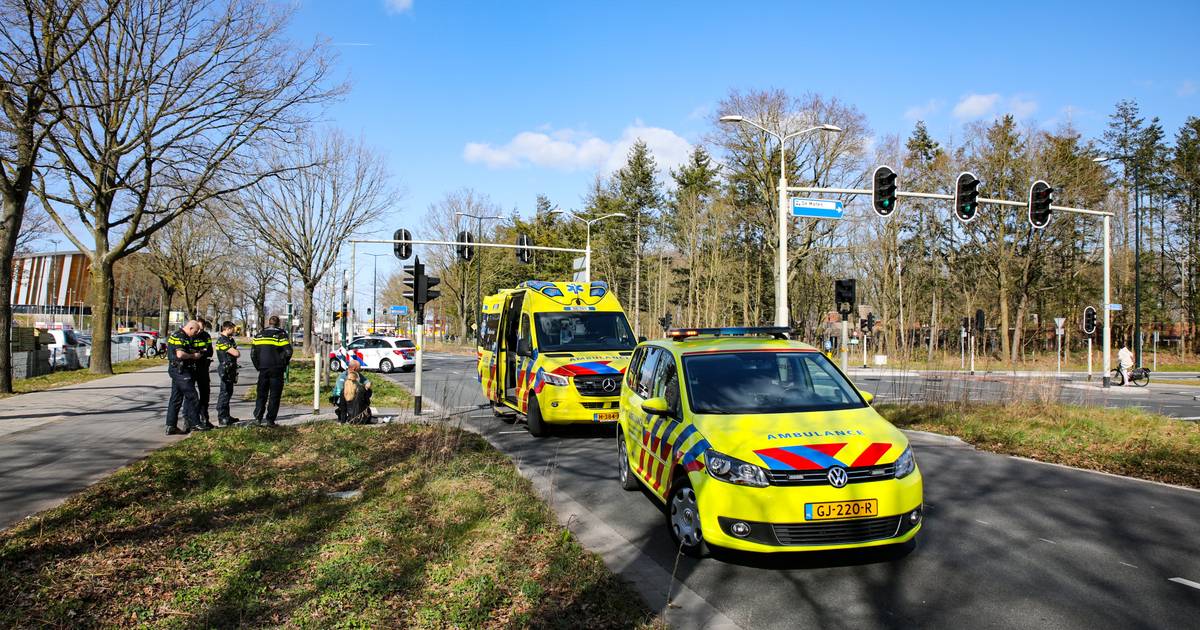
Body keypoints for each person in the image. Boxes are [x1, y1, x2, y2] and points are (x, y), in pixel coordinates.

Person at [165, 320, 207, 435]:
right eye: (196, 331)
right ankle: (195, 423)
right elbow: (180, 354)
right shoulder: (181, 336)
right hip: (181, 371)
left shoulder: (177, 335)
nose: (197, 333)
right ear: (190, 328)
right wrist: (194, 356)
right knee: (192, 396)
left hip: (176, 370)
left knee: (176, 398)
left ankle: (171, 426)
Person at [251, 315, 292, 427]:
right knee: (274, 395)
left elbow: (253, 354)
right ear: (278, 323)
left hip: (263, 369)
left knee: (261, 394)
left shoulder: (258, 335)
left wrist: (258, 366)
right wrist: (283, 363)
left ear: (268, 323)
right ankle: (270, 420)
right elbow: (288, 352)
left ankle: (258, 418)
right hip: (276, 368)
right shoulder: (280, 335)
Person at [214, 320, 241, 426]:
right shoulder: (222, 340)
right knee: (224, 393)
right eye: (232, 329)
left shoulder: (229, 340)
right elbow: (235, 353)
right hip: (225, 369)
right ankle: (222, 417)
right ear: (227, 329)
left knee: (228, 392)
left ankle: (227, 415)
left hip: (230, 369)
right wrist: (236, 351)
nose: (234, 331)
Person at [192, 318, 215, 428]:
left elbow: (210, 351)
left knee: (205, 393)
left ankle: (205, 419)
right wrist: (201, 351)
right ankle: (190, 421)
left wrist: (200, 352)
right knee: (190, 396)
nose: (199, 331)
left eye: (202, 329)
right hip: (191, 368)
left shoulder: (206, 336)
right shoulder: (190, 335)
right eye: (198, 329)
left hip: (203, 367)